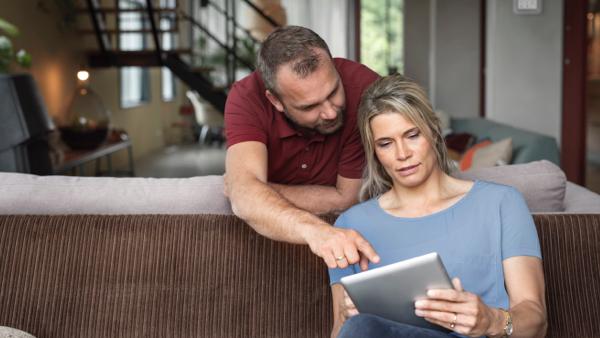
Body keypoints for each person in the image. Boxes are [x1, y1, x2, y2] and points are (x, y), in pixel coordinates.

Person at [328, 74, 547, 338]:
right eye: (386, 143)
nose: (402, 154)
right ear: (374, 152)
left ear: (433, 131)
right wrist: (345, 315)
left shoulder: (501, 203)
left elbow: (536, 319)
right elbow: (341, 331)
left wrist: (492, 320)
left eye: (412, 135)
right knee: (360, 326)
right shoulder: (350, 227)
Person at [224, 26, 381, 269]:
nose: (330, 112)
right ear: (275, 100)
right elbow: (243, 196)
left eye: (334, 92)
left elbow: (348, 198)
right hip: (276, 246)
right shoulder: (246, 98)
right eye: (309, 107)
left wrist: (258, 189)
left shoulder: (364, 88)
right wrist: (315, 231)